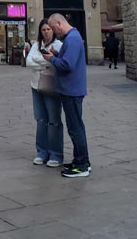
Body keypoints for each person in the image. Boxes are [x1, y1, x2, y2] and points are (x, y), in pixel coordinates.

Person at [44, 13, 91, 178]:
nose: (54, 32)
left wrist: (52, 59)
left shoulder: (71, 39)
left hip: (71, 90)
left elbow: (67, 65)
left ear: (59, 23)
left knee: (75, 128)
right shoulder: (74, 37)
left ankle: (81, 165)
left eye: (54, 28)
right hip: (72, 89)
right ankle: (82, 160)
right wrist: (57, 55)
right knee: (76, 126)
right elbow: (67, 60)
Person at [26, 20, 63, 168]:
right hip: (36, 86)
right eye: (43, 29)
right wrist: (46, 61)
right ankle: (42, 152)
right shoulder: (36, 45)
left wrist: (42, 60)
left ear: (53, 30)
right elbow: (28, 62)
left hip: (51, 87)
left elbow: (56, 62)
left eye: (48, 29)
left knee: (53, 120)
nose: (46, 32)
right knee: (40, 119)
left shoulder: (59, 45)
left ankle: (56, 154)